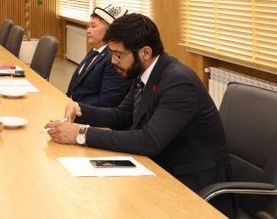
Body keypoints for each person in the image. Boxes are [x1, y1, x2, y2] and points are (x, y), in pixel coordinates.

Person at [45, 14, 231, 213]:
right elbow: (122, 115)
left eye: (119, 55)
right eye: (111, 53)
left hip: (192, 186)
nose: (113, 61)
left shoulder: (178, 83)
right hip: (158, 168)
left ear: (145, 52)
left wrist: (81, 134)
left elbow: (149, 141)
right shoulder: (143, 72)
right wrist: (79, 110)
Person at [65, 3, 129, 107]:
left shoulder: (114, 60)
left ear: (109, 31)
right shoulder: (95, 50)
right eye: (88, 26)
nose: (88, 30)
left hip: (86, 112)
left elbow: (107, 101)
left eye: (93, 26)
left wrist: (75, 106)